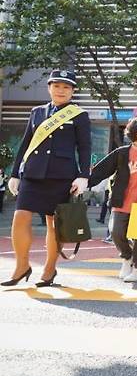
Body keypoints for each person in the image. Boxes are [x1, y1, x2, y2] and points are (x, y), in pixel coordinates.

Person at [2, 70, 90, 287]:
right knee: (20, 217)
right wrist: (14, 174)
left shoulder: (79, 115)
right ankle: (22, 266)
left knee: (53, 224)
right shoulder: (37, 112)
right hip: (33, 174)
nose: (61, 90)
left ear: (73, 91)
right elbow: (25, 143)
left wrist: (83, 176)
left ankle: (50, 269)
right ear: (49, 87)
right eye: (57, 86)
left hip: (61, 177)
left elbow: (85, 147)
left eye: (66, 87)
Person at [89, 118, 137, 282]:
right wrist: (83, 182)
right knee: (116, 234)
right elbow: (102, 170)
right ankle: (127, 257)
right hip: (122, 202)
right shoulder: (122, 153)